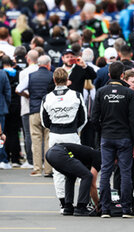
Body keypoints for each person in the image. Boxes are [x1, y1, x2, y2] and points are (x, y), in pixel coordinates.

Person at [91, 61, 134, 218]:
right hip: (124, 138)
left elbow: (93, 118)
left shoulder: (100, 92)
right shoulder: (128, 93)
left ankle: (105, 209)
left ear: (108, 75)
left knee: (105, 172)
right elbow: (133, 120)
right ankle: (126, 209)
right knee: (125, 172)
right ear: (122, 76)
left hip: (107, 137)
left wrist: (101, 132)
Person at [41, 67, 87, 211]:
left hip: (55, 135)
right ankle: (81, 203)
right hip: (71, 135)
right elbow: (84, 118)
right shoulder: (76, 95)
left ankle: (64, 204)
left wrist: (55, 129)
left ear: (54, 80)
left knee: (58, 170)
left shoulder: (47, 97)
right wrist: (74, 130)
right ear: (67, 80)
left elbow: (44, 122)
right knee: (78, 169)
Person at [17, 55, 53, 177]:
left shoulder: (31, 76)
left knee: (36, 140)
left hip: (34, 110)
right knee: (48, 140)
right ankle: (48, 169)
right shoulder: (51, 76)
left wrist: (27, 95)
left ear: (38, 64)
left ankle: (37, 168)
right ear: (48, 64)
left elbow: (18, 89)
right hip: (48, 111)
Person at [46, 143, 101, 216]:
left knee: (71, 175)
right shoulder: (99, 157)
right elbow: (92, 184)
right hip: (59, 152)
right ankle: (81, 207)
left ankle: (68, 207)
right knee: (87, 176)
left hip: (50, 154)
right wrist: (98, 205)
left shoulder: (92, 153)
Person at [16, 50, 39, 169]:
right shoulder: (40, 71)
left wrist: (28, 96)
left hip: (26, 107)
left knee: (28, 134)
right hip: (39, 106)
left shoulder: (24, 72)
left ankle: (30, 160)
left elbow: (20, 89)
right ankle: (40, 159)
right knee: (40, 134)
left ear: (27, 58)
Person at [0, 67, 11, 169]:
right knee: (0, 135)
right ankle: (2, 159)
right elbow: (7, 91)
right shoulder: (2, 73)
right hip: (1, 107)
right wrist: (6, 104)